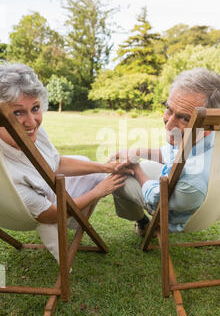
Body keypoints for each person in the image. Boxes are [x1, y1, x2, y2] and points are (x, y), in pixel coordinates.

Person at [0, 63, 130, 262]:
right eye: (18, 113)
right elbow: (50, 216)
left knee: (89, 166)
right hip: (30, 214)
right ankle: (75, 224)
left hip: (47, 194)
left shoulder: (33, 131)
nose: (31, 122)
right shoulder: (7, 172)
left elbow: (56, 163)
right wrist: (98, 191)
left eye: (35, 108)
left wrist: (105, 167)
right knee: (94, 183)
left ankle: (82, 209)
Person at [111, 68, 220, 236]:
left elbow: (157, 199)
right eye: (168, 109)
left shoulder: (194, 180)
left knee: (119, 176)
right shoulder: (212, 136)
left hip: (175, 213)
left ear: (207, 127)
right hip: (206, 196)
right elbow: (170, 153)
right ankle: (141, 220)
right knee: (143, 164)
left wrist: (136, 170)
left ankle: (143, 223)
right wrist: (137, 152)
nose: (168, 125)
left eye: (184, 118)